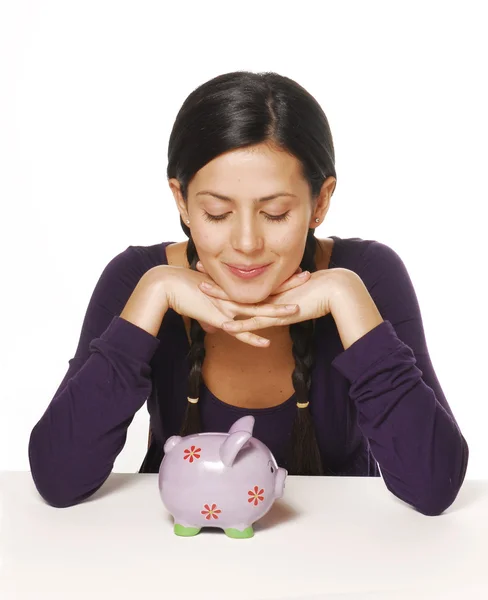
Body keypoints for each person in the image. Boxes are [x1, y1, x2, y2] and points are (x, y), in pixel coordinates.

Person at [28, 70, 469, 516]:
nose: (246, 243)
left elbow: (434, 485)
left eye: (275, 213)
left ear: (320, 202)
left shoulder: (369, 277)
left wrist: (348, 298)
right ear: (181, 201)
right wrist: (152, 294)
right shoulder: (137, 279)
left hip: (339, 567)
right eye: (217, 213)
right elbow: (58, 479)